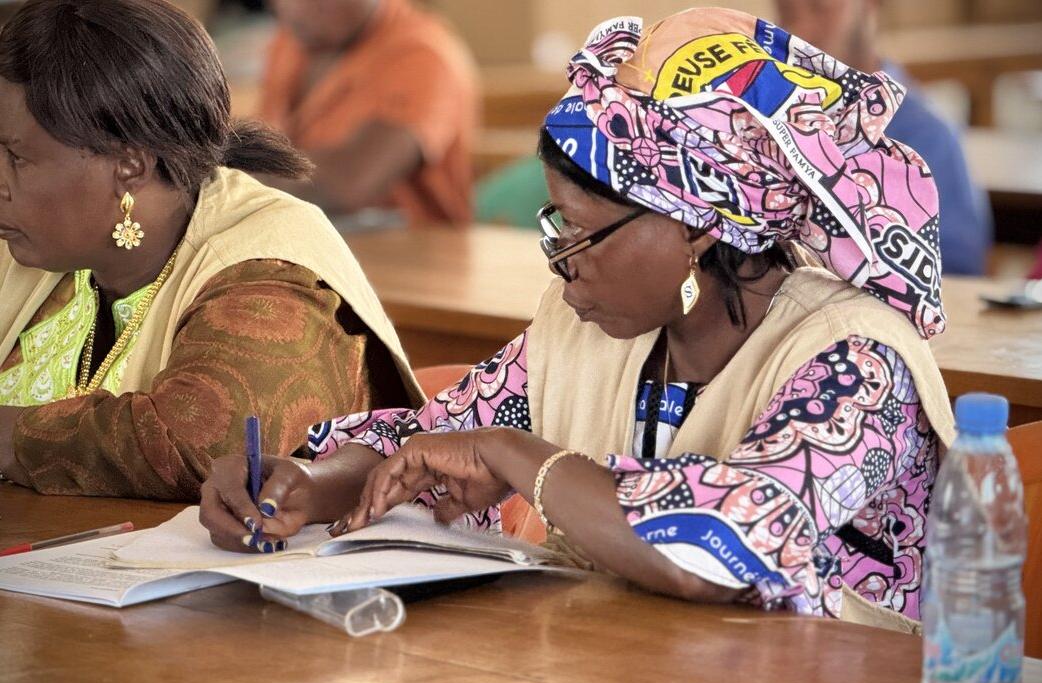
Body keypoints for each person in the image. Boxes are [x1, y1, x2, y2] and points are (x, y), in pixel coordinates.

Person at [201, 8, 956, 625]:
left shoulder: (856, 363)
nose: (561, 261)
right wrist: (306, 479)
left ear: (697, 225)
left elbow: (723, 551)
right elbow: (432, 442)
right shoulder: (591, 327)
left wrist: (513, 456)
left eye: (582, 233)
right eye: (552, 225)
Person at [0, 0, 422, 504]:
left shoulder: (270, 270)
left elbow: (204, 443)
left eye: (15, 157)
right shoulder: (36, 246)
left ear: (130, 165)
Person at [775, 0, 993, 275]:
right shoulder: (771, 120)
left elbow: (957, 274)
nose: (798, 31)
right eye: (786, 12)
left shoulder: (927, 137)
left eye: (819, 8)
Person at [258, 0, 478, 228]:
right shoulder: (289, 43)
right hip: (310, 241)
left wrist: (240, 176)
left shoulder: (422, 54)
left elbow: (347, 182)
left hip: (412, 255)